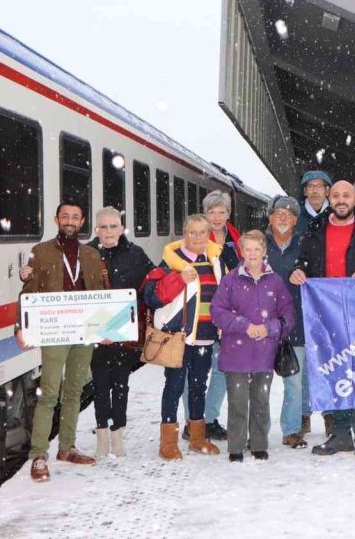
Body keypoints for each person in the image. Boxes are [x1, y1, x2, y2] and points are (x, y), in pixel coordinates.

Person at [290, 180, 355, 462]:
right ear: (328, 197)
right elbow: (304, 263)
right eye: (335, 195)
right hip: (327, 315)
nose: (340, 199)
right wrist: (298, 272)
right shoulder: (314, 229)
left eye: (346, 195)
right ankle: (339, 434)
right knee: (334, 372)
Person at [16, 200, 107, 482]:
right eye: (65, 216)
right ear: (57, 219)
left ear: (82, 223)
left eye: (75, 217)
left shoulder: (91, 255)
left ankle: (67, 448)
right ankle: (38, 456)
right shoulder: (40, 253)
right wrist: (21, 327)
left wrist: (106, 326)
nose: (70, 221)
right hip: (54, 330)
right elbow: (28, 292)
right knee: (49, 393)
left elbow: (103, 293)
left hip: (84, 331)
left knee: (74, 391)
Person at [142, 214, 227, 460]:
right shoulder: (171, 262)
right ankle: (168, 442)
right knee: (175, 387)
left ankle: (197, 437)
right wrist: (178, 279)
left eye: (202, 232)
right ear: (184, 234)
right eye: (192, 232)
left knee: (199, 386)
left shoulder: (216, 260)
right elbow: (152, 297)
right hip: (179, 337)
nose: (197, 237)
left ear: (208, 234)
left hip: (206, 336)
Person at [211, 230, 296, 462]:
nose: (252, 254)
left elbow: (288, 314)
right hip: (235, 351)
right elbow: (217, 312)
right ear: (241, 251)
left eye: (256, 249)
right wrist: (244, 325)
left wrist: (270, 327)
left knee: (261, 400)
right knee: (237, 401)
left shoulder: (275, 281)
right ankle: (236, 446)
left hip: (264, 352)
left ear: (264, 251)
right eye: (247, 249)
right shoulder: (230, 280)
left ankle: (259, 444)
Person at [86, 207, 154, 458]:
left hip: (125, 332)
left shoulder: (135, 254)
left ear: (121, 228)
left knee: (121, 384)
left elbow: (151, 282)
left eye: (113, 226)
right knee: (100, 385)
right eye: (103, 227)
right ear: (96, 229)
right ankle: (102, 435)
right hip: (95, 331)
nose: (109, 232)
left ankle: (118, 435)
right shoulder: (86, 254)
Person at [188, 190, 240, 443]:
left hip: (228, 316)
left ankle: (209, 418)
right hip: (201, 316)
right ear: (204, 214)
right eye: (211, 212)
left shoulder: (236, 241)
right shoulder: (194, 240)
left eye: (222, 212)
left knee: (222, 368)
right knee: (195, 371)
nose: (217, 217)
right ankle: (192, 420)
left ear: (228, 214)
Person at [264, 196, 312, 448]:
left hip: (297, 323)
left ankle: (292, 430)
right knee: (260, 382)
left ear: (295, 220)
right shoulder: (258, 245)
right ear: (270, 218)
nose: (283, 218)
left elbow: (317, 277)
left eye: (288, 214)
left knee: (294, 380)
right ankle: (258, 430)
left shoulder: (306, 246)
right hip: (262, 326)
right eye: (278, 213)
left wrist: (306, 274)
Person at [295, 170, 332, 235]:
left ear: (327, 191)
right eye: (310, 186)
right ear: (305, 191)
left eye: (319, 186)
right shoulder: (294, 215)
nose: (314, 191)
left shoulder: (336, 216)